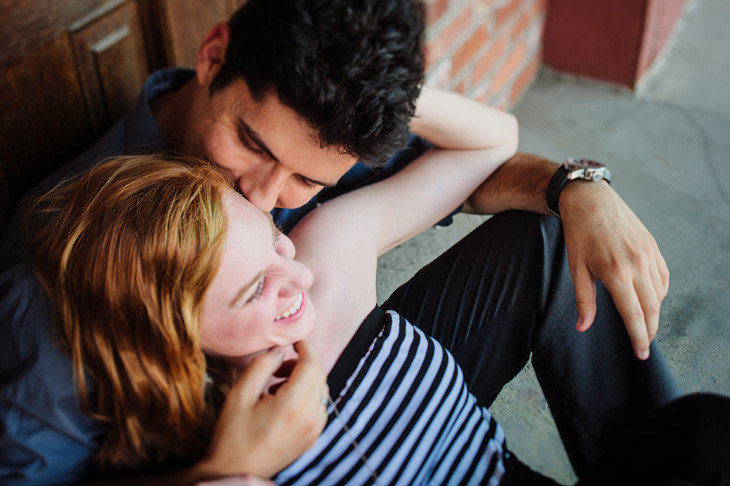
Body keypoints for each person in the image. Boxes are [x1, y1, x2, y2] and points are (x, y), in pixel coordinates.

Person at [1, 0, 679, 482]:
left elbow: (469, 166)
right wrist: (226, 466)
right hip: (256, 440)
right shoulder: (58, 269)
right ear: (212, 58)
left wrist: (579, 185)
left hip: (363, 367)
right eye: (251, 144)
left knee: (553, 237)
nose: (263, 200)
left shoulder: (325, 126)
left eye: (305, 179)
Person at [24, 150, 730, 486]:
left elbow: (485, 143)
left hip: (492, 470)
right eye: (253, 291)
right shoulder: (188, 449)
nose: (295, 271)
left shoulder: (318, 269)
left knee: (705, 432)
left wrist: (581, 186)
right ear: (175, 338)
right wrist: (233, 469)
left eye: (274, 235)